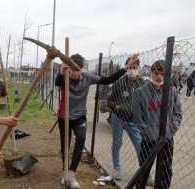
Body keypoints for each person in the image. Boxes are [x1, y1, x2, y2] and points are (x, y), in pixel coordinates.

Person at [50, 46, 139, 188]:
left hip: (79, 116)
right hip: (64, 117)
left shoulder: (87, 77)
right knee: (65, 146)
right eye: (72, 70)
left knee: (81, 138)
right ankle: (65, 172)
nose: (74, 73)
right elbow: (57, 83)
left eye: (77, 70)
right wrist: (62, 72)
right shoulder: (64, 76)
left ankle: (72, 174)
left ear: (82, 69)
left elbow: (107, 80)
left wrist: (126, 68)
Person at [133, 60, 182, 189]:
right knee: (144, 171)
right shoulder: (140, 92)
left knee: (165, 171)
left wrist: (170, 132)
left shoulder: (172, 92)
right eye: (156, 72)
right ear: (151, 72)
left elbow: (177, 114)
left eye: (162, 73)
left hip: (166, 139)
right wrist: (147, 132)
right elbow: (137, 118)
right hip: (148, 140)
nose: (159, 76)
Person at [107, 57, 144, 180]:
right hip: (118, 118)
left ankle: (145, 172)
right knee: (117, 143)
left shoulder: (142, 84)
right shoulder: (119, 82)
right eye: (130, 68)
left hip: (134, 121)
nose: (132, 70)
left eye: (135, 68)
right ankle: (116, 169)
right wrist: (117, 107)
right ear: (126, 67)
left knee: (140, 145)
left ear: (138, 68)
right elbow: (110, 101)